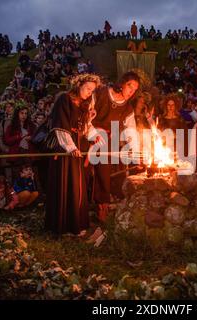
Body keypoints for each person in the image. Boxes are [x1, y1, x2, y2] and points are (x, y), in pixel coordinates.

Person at [45, 73, 102, 236]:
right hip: (64, 152)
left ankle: (76, 224)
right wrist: (70, 147)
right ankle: (63, 226)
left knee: (77, 186)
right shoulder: (64, 99)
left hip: (77, 150)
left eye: (92, 91)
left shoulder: (84, 105)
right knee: (66, 185)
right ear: (79, 85)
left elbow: (85, 126)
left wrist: (94, 135)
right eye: (88, 89)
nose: (89, 93)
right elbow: (60, 126)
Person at [92, 71, 140, 222]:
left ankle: (104, 206)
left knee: (108, 172)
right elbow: (87, 114)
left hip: (109, 142)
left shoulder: (128, 108)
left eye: (135, 90)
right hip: (89, 135)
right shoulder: (101, 93)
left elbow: (131, 131)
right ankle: (90, 205)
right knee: (91, 171)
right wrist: (92, 134)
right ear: (122, 84)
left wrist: (136, 152)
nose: (131, 92)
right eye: (129, 87)